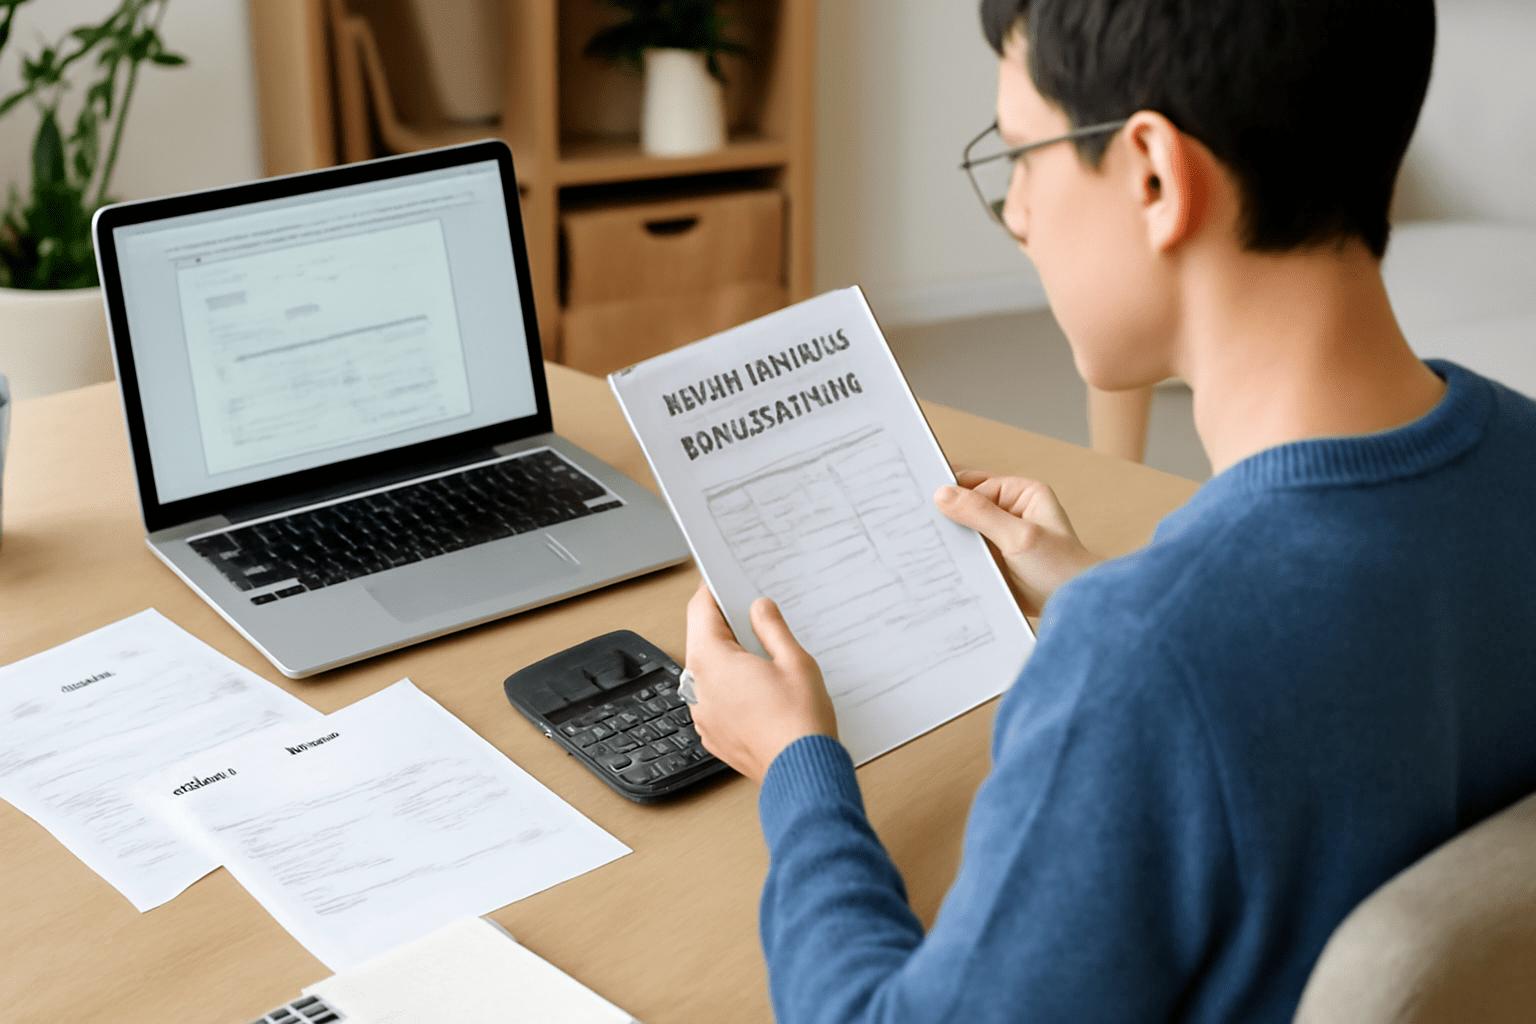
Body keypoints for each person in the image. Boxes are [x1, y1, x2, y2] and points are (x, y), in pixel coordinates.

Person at [682, 0, 1536, 1021]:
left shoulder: (1141, 659)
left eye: (1021, 156)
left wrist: (796, 765)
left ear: (1154, 177)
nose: (1017, 214)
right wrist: (1099, 586)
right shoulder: (1521, 454)